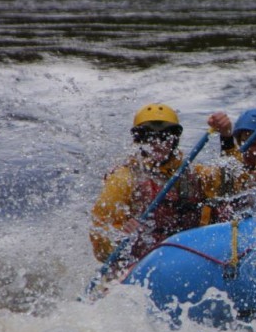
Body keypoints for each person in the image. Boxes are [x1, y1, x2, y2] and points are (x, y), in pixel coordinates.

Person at [90, 103, 230, 271]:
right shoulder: (123, 178)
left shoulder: (192, 173)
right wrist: (120, 235)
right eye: (149, 137)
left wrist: (227, 138)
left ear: (174, 140)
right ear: (139, 140)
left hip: (190, 257)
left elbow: (232, 185)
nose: (157, 143)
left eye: (164, 137)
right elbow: (99, 237)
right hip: (140, 265)